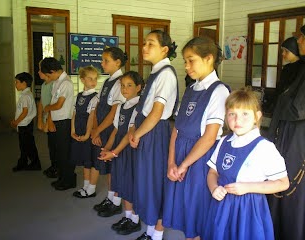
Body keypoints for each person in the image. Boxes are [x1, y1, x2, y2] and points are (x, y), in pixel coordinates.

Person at [163, 37, 230, 240]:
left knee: (197, 213)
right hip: (181, 157)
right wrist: (171, 162)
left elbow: (209, 138)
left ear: (209, 58)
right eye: (185, 61)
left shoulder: (219, 91)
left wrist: (183, 165)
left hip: (200, 161)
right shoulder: (191, 89)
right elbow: (177, 129)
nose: (186, 66)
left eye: (191, 60)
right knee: (185, 214)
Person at [203, 88, 289, 240]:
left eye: (245, 114)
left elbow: (283, 183)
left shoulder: (264, 148)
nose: (237, 120)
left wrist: (247, 187)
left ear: (257, 116)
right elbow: (212, 172)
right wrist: (213, 188)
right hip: (221, 207)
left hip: (248, 210)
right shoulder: (224, 142)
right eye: (232, 114)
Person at [129, 30, 178, 240]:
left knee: (155, 183)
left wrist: (138, 133)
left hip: (154, 132)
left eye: (151, 43)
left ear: (164, 49)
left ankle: (156, 234)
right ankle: (149, 231)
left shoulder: (166, 73)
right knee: (146, 182)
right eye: (144, 43)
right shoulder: (156, 72)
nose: (144, 47)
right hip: (146, 129)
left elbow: (157, 112)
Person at [267, 24, 305, 240]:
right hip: (288, 135)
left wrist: (281, 101)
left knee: (292, 190)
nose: (299, 41)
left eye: (301, 37)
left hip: (297, 141)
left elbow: (297, 108)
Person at [98, 71, 143, 235]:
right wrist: (107, 148)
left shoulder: (139, 107)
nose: (125, 89)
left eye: (129, 85)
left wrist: (114, 152)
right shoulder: (122, 105)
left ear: (139, 87)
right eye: (122, 85)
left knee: (131, 185)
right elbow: (116, 130)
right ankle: (128, 216)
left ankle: (135, 220)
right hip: (118, 151)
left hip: (129, 152)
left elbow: (129, 134)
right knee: (122, 184)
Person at [90, 47, 126, 215]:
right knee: (105, 164)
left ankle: (116, 201)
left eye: (106, 60)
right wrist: (95, 129)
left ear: (117, 62)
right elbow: (99, 105)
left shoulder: (120, 82)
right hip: (101, 129)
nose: (102, 63)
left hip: (111, 130)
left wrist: (97, 130)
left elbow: (113, 112)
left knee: (113, 167)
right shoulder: (107, 81)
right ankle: (110, 197)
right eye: (102, 60)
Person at [40, 57, 75, 191]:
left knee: (65, 152)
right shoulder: (57, 82)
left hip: (64, 122)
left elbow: (59, 104)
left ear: (54, 71)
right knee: (58, 152)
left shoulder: (66, 83)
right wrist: (49, 118)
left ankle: (68, 180)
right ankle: (62, 178)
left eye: (49, 74)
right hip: (56, 121)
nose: (48, 77)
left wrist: (47, 108)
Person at [71, 66, 99, 198]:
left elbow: (91, 117)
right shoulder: (79, 96)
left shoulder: (95, 97)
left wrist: (88, 134)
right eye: (90, 78)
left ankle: (90, 188)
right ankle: (85, 185)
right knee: (83, 159)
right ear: (82, 79)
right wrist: (72, 131)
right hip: (79, 130)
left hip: (88, 131)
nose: (93, 81)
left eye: (95, 79)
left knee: (90, 159)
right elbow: (74, 114)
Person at [11, 72, 41, 172]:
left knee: (28, 145)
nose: (15, 84)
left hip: (25, 125)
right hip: (25, 124)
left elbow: (24, 112)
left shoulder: (25, 96)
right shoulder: (27, 94)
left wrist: (16, 122)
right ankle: (24, 162)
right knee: (25, 145)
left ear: (24, 83)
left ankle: (34, 163)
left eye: (17, 82)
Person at [36, 60, 57, 178]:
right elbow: (41, 103)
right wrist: (39, 120)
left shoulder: (54, 85)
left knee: (55, 145)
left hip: (53, 120)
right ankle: (53, 165)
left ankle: (57, 167)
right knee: (50, 145)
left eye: (41, 70)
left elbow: (52, 106)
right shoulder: (44, 85)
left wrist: (48, 122)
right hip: (46, 118)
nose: (39, 72)